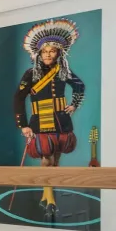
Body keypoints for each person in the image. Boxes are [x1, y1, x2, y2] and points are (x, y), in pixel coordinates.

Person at [12, 19, 85, 216]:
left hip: (61, 120)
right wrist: (23, 125)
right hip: (40, 121)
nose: (48, 55)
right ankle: (50, 196)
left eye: (52, 51)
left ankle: (46, 195)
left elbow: (79, 86)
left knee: (56, 159)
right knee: (47, 159)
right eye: (44, 52)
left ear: (59, 52)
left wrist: (74, 104)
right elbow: (19, 98)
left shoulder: (63, 71)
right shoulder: (30, 74)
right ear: (38, 53)